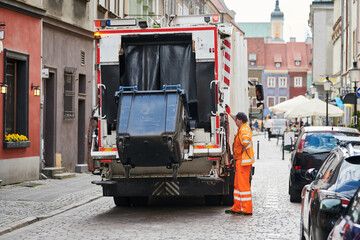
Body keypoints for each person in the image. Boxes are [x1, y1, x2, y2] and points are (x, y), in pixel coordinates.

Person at [225, 112, 254, 216]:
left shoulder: (244, 130)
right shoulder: (242, 127)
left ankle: (247, 210)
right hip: (240, 161)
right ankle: (236, 207)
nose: (235, 120)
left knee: (243, 186)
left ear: (241, 120)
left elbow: (246, 141)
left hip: (243, 161)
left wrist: (242, 144)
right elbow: (235, 119)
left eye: (237, 119)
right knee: (237, 185)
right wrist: (229, 113)